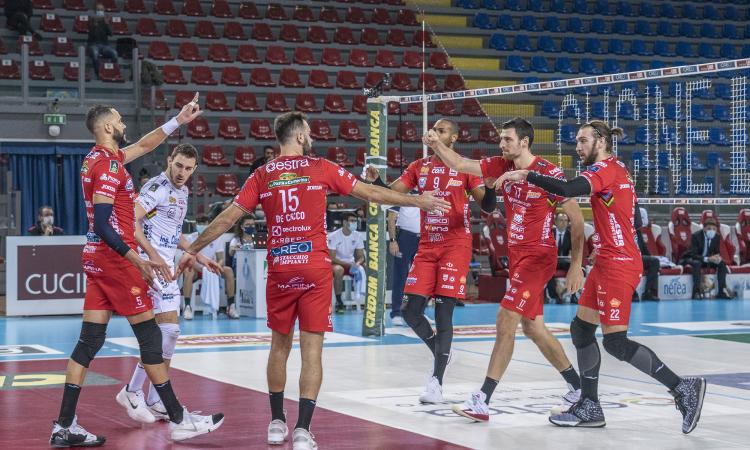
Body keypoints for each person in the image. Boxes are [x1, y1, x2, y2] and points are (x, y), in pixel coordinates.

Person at [174, 111, 450, 450]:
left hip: (280, 268)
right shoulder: (320, 167)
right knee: (312, 350)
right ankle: (303, 430)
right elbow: (370, 194)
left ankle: (277, 423)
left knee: (279, 347)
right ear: (301, 136)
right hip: (315, 269)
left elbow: (228, 217)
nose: (312, 136)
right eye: (309, 132)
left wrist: (192, 249)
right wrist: (416, 200)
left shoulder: (262, 174)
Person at [496, 120, 706, 433]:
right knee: (581, 330)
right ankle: (590, 405)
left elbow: (567, 190)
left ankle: (682, 388)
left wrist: (526, 174)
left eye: (583, 141)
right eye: (576, 141)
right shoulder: (614, 169)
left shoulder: (605, 170)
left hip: (619, 264)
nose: (577, 147)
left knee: (616, 343)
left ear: (602, 142)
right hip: (607, 260)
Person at [50, 94, 225, 447]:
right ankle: (178, 418)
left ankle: (63, 426)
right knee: (151, 338)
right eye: (119, 119)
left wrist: (178, 120)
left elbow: (147, 143)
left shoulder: (100, 158)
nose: (125, 124)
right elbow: (102, 223)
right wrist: (138, 259)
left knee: (88, 343)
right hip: (115, 263)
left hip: (98, 261)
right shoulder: (110, 167)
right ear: (109, 127)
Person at [422, 117, 586, 421]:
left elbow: (577, 222)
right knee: (533, 328)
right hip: (518, 259)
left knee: (505, 318)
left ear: (524, 142)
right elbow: (459, 163)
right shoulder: (500, 165)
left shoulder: (548, 173)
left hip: (540, 258)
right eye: (501, 139)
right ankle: (578, 389)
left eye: (507, 139)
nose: (501, 144)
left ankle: (482, 398)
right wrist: (435, 144)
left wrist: (576, 266)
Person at [364, 118, 496, 404]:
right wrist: (377, 182)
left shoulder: (464, 166)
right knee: (410, 311)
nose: (435, 133)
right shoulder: (419, 167)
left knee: (443, 313)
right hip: (427, 245)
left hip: (455, 244)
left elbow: (487, 205)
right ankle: (441, 350)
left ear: (454, 138)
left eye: (442, 130)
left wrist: (493, 186)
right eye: (434, 129)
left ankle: (436, 381)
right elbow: (392, 192)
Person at [122, 143, 224, 422]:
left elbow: (174, 232)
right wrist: (151, 255)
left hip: (167, 266)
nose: (182, 172)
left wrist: (199, 256)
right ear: (170, 160)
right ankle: (132, 391)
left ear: (194, 169)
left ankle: (154, 399)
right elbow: (130, 221)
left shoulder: (183, 191)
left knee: (167, 334)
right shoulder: (157, 187)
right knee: (164, 331)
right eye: (178, 165)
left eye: (188, 168)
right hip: (150, 265)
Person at [181, 215, 239, 319]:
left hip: (212, 268)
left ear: (210, 225)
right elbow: (188, 259)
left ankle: (231, 306)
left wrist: (216, 266)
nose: (202, 226)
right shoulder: (190, 238)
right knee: (188, 271)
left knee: (229, 271)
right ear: (195, 225)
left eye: (205, 223)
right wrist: (201, 269)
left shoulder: (216, 238)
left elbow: (221, 258)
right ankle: (187, 307)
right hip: (196, 268)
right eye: (200, 223)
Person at [681, 217, 732, 299]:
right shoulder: (696, 236)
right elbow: (694, 255)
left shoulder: (717, 236)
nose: (712, 231)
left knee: (722, 264)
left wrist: (717, 258)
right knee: (697, 263)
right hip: (692, 258)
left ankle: (722, 291)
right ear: (704, 228)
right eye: (709, 228)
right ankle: (696, 292)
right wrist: (708, 259)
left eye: (714, 229)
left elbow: (716, 252)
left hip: (706, 259)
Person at [387, 206, 420, 326]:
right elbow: (391, 218)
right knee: (400, 276)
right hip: (405, 237)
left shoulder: (425, 190)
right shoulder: (401, 190)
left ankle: (417, 312)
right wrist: (392, 240)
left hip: (423, 237)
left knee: (420, 278)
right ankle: (396, 313)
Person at [328, 212, 365, 313]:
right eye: (352, 221)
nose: (354, 223)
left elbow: (361, 256)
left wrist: (358, 263)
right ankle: (339, 302)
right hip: (336, 264)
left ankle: (365, 299)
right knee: (339, 270)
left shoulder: (357, 235)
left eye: (355, 221)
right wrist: (350, 265)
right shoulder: (334, 236)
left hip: (351, 264)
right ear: (344, 222)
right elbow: (332, 258)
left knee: (365, 267)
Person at [634, 207, 660, 301]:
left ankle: (649, 292)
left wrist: (650, 257)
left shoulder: (637, 231)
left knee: (654, 261)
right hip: (627, 257)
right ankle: (632, 293)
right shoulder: (622, 231)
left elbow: (644, 248)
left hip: (639, 258)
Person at [546, 212, 572, 303]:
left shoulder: (571, 235)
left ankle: (567, 290)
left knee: (574, 268)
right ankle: (556, 295)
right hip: (551, 261)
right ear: (555, 222)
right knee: (548, 270)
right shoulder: (549, 233)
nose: (564, 223)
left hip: (565, 261)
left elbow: (572, 251)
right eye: (561, 220)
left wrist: (570, 255)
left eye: (566, 221)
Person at [87, 3, 118, 79]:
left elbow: (111, 34)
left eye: (101, 10)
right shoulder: (91, 20)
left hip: (105, 45)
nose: (100, 11)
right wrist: (95, 23)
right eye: (98, 10)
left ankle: (111, 72)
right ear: (95, 11)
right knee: (95, 53)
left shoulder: (106, 21)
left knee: (115, 53)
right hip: (93, 44)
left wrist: (107, 23)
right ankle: (98, 74)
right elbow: (91, 35)